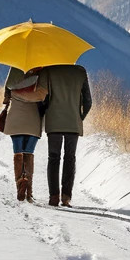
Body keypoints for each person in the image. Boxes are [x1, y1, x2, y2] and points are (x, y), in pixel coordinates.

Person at [41, 64, 92, 207]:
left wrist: (45, 113)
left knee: (53, 158)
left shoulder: (48, 70)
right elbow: (88, 101)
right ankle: (66, 197)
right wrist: (79, 117)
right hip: (73, 122)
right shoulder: (80, 71)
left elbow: (42, 97)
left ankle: (53, 196)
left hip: (54, 121)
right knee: (70, 158)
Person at [3, 66, 48, 201]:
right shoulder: (43, 71)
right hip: (33, 118)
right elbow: (43, 95)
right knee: (29, 153)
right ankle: (28, 191)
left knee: (18, 152)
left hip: (15, 115)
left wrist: (15, 94)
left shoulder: (15, 67)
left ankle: (19, 184)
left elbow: (7, 91)